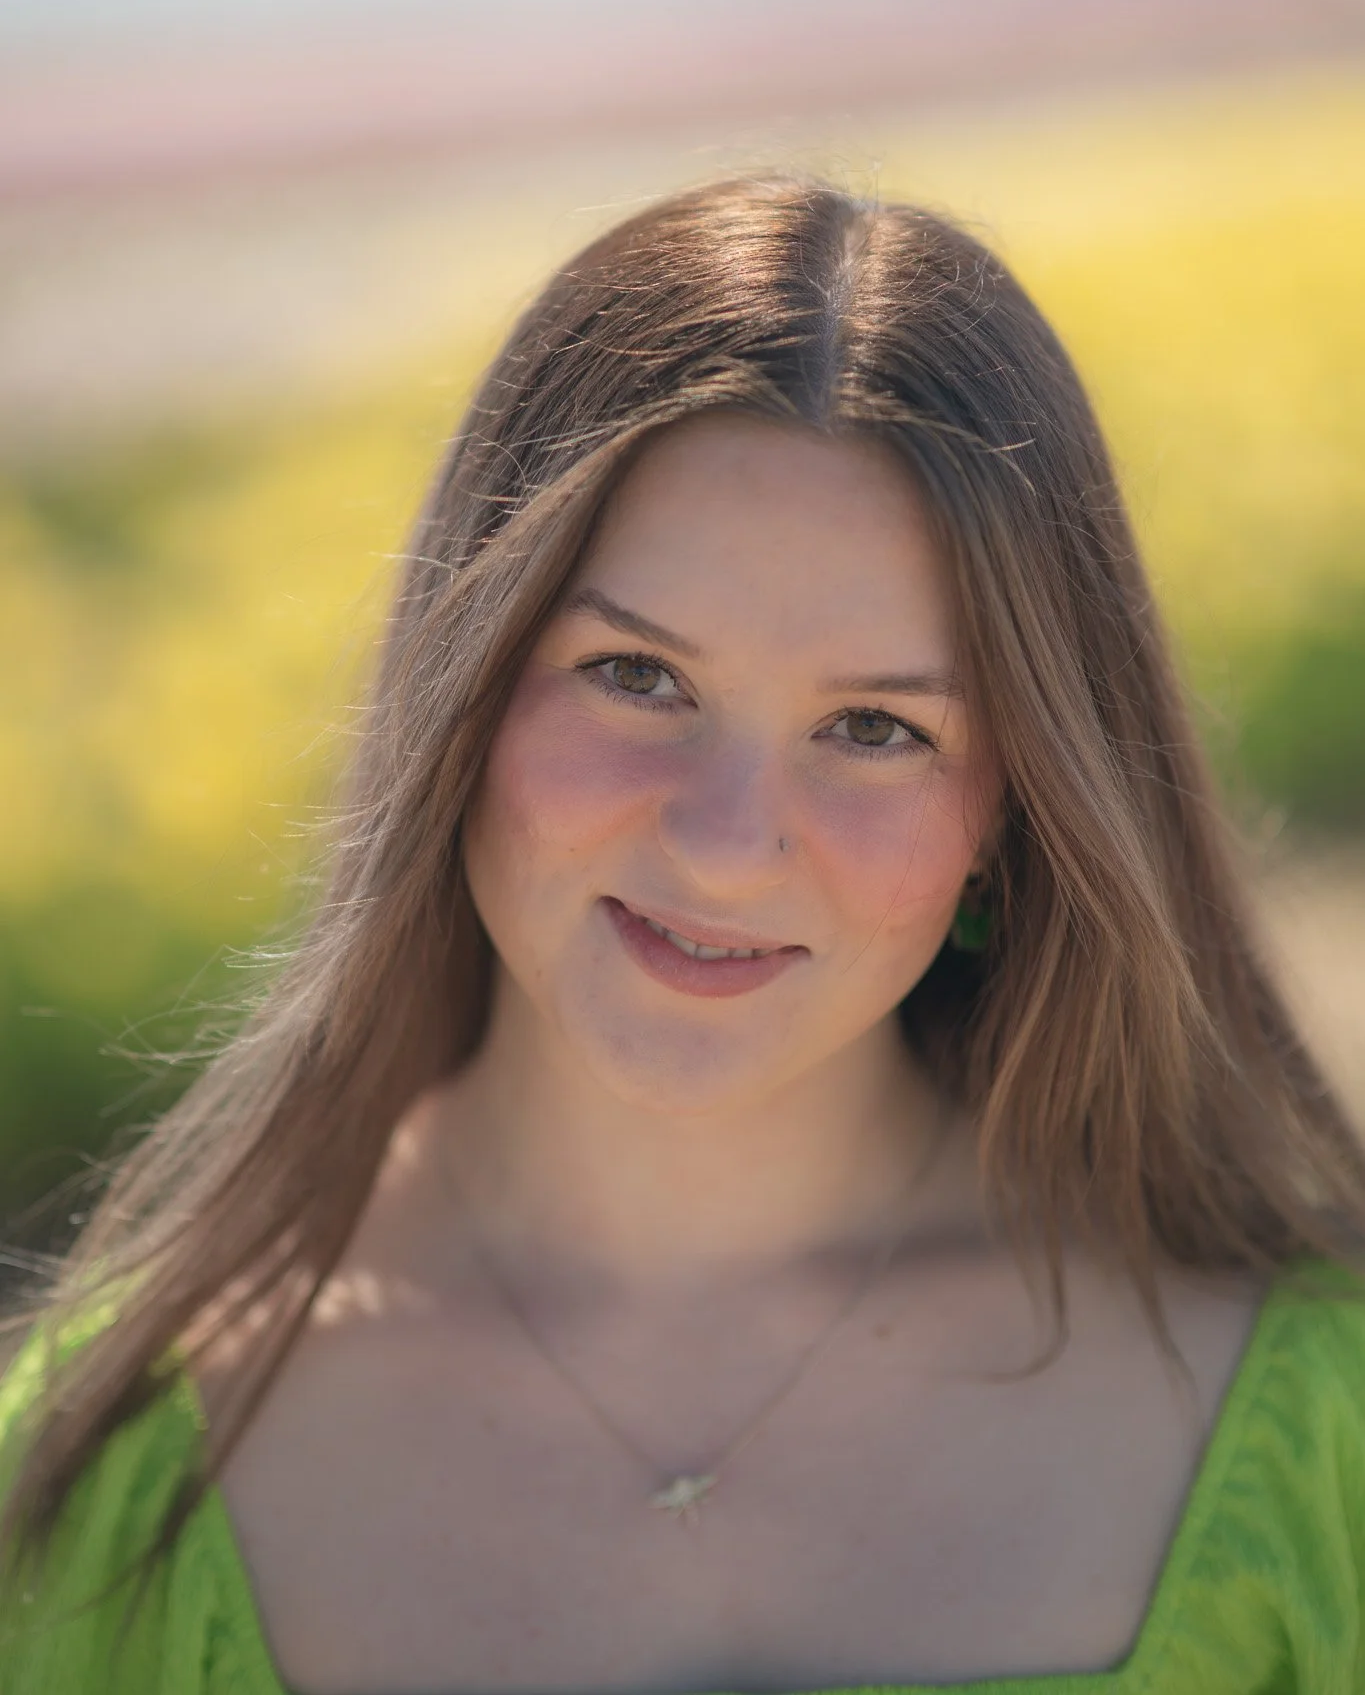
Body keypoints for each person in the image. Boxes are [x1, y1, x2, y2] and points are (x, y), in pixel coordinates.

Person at [2, 177, 1364, 1695]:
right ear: (463, 692)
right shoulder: (101, 1487)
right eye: (636, 677)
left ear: (1017, 814)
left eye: (875, 727)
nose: (725, 844)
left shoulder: (1319, 1431)